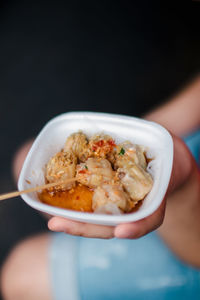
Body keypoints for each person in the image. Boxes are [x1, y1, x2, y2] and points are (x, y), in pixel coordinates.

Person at [0, 77, 200, 300]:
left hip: (188, 234)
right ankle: (86, 234)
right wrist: (157, 129)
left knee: (20, 275)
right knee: (24, 159)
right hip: (184, 149)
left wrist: (183, 178)